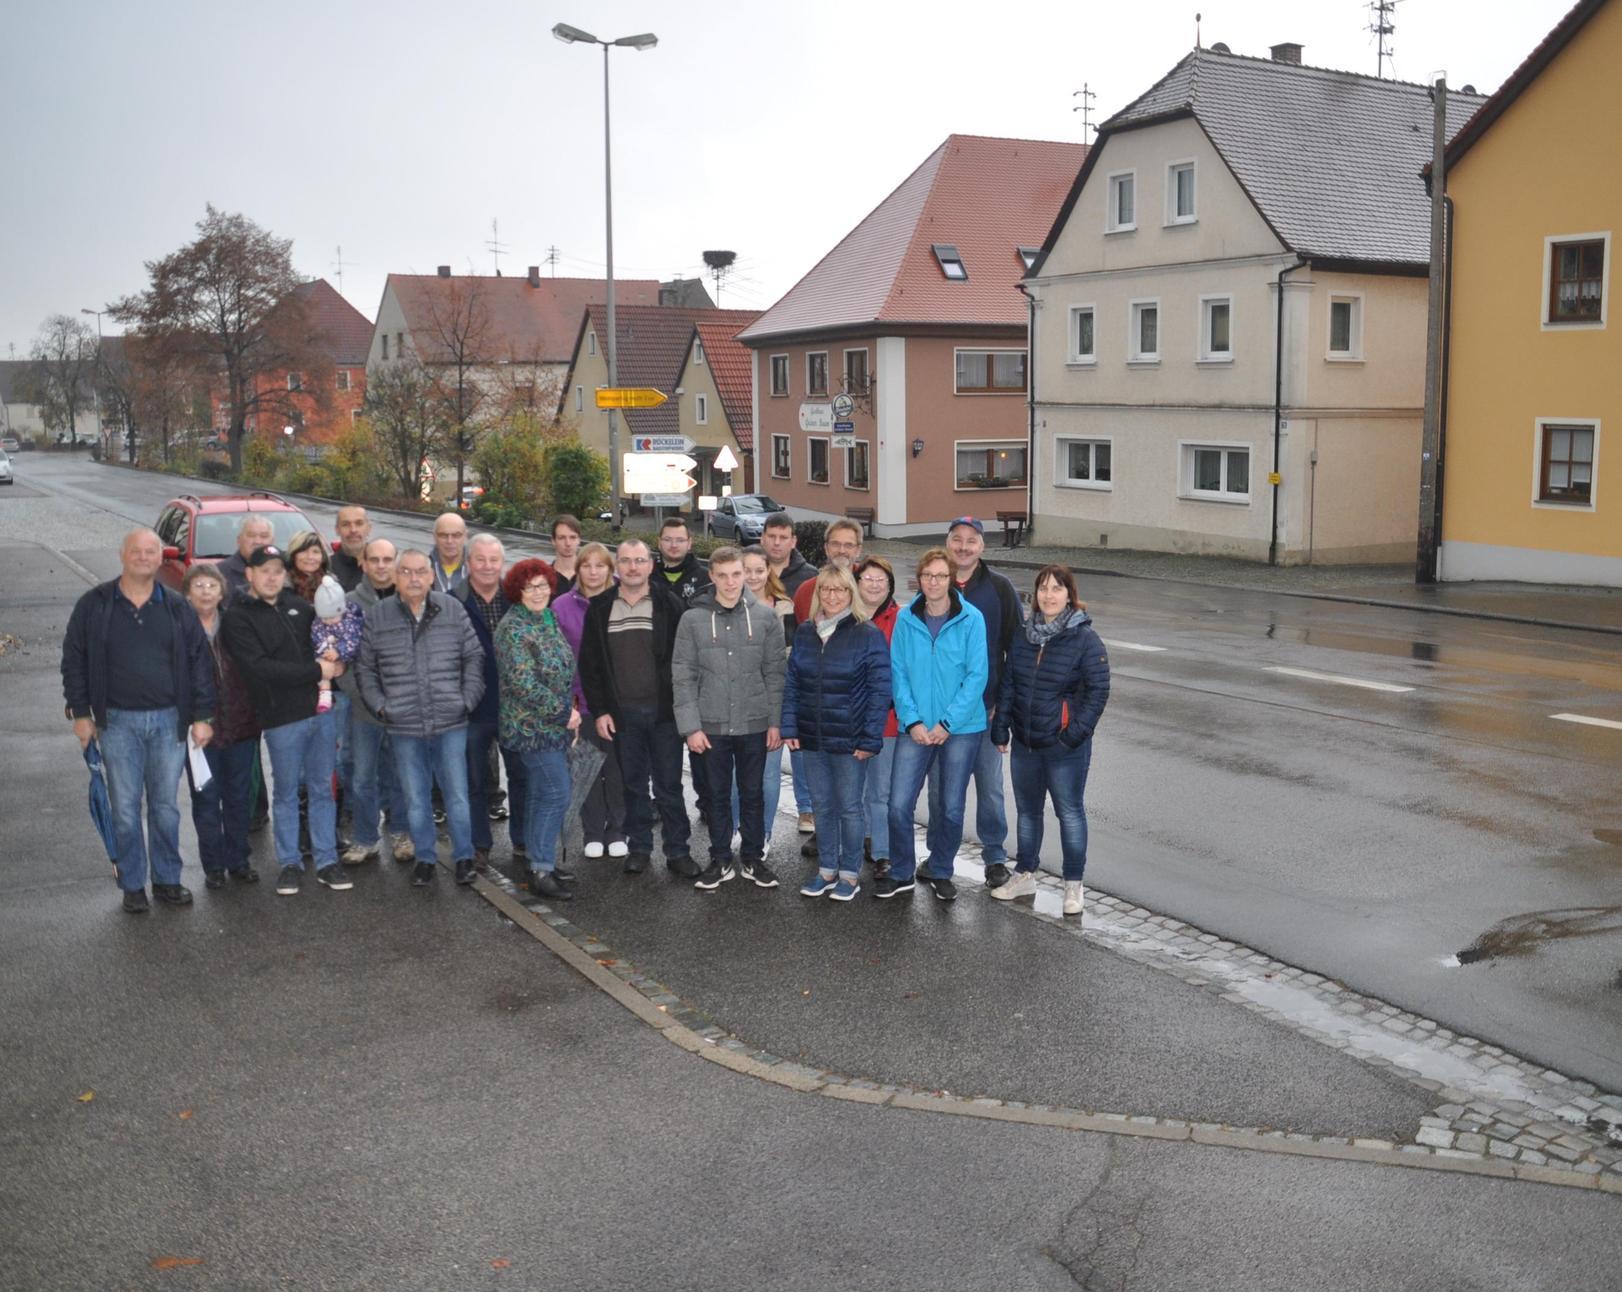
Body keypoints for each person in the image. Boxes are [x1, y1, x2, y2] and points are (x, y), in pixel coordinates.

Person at [61, 528, 216, 913]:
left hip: (169, 722)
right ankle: (132, 884)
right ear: (122, 554)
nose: (144, 557)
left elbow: (200, 662)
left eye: (151, 551)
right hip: (116, 724)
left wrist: (202, 716)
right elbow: (74, 660)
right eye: (137, 550)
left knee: (165, 808)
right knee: (126, 811)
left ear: (161, 558)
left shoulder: (177, 607)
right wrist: (81, 713)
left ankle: (167, 880)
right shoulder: (95, 605)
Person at [221, 544, 352, 896]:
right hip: (281, 719)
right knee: (287, 792)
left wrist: (338, 660)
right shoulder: (237, 617)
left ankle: (326, 861)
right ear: (250, 574)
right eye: (264, 571)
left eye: (277, 571)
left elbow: (326, 639)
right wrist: (317, 671)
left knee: (323, 788)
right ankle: (290, 863)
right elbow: (259, 668)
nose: (271, 577)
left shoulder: (299, 606)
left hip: (320, 714)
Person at [355, 549, 485, 887]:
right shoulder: (378, 615)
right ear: (396, 577)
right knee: (415, 798)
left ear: (430, 576)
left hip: (450, 720)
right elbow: (365, 668)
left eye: (420, 572)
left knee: (457, 795)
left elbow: (474, 656)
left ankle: (464, 858)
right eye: (406, 572)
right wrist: (381, 706)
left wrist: (467, 700)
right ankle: (425, 859)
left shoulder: (452, 608)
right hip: (404, 724)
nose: (414, 579)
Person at [991, 566, 1111, 917]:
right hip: (1025, 742)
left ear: (1069, 595)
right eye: (1043, 588)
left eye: (1057, 588)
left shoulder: (1085, 639)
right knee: (1028, 812)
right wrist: (1002, 726)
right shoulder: (1023, 635)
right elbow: (1010, 683)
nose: (1049, 595)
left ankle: (1073, 883)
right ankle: (1025, 874)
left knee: (1069, 812)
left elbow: (1098, 692)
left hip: (1064, 747)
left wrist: (1073, 735)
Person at [578, 539, 697, 878]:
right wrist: (601, 711)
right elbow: (590, 666)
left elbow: (684, 660)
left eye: (640, 560)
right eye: (627, 560)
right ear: (617, 566)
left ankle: (678, 851)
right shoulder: (600, 608)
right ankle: (640, 848)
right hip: (622, 716)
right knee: (633, 786)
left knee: (669, 787)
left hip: (664, 715)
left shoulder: (669, 604)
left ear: (650, 565)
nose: (633, 567)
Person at [672, 545, 787, 891]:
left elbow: (775, 674)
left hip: (755, 722)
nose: (731, 582)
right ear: (712, 577)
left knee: (753, 793)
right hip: (711, 726)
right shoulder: (692, 620)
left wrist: (775, 722)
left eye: (737, 574)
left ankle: (753, 858)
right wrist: (691, 727)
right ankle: (721, 858)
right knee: (717, 795)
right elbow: (683, 675)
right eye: (723, 575)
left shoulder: (766, 618)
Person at [878, 548, 988, 903]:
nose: (934, 582)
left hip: (961, 729)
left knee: (950, 806)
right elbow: (898, 673)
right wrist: (912, 720)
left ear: (951, 579)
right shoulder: (907, 619)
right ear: (919, 580)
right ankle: (901, 871)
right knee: (898, 804)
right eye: (928, 576)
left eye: (941, 576)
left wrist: (947, 723)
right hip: (915, 727)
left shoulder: (972, 619)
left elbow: (977, 676)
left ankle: (941, 869)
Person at [781, 565, 890, 902]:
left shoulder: (867, 633)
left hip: (849, 739)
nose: (832, 596)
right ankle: (827, 869)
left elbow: (880, 691)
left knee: (850, 808)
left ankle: (849, 874)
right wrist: (790, 726)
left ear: (850, 593)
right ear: (818, 593)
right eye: (826, 589)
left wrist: (870, 738)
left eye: (840, 589)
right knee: (822, 806)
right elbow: (793, 683)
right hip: (812, 737)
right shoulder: (805, 632)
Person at [934, 516, 1024, 887]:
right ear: (948, 542)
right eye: (957, 539)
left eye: (971, 541)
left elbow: (1016, 649)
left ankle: (995, 857)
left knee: (989, 788)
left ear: (982, 547)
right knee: (942, 789)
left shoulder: (999, 588)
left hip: (986, 710)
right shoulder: (935, 582)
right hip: (941, 711)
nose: (964, 547)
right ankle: (939, 857)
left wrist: (1004, 704)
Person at [495, 559, 581, 899]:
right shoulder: (513, 628)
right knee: (557, 793)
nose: (537, 592)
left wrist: (570, 709)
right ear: (517, 591)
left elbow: (561, 667)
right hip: (531, 729)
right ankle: (541, 870)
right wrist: (564, 713)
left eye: (542, 585)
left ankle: (538, 860)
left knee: (540, 794)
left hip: (554, 725)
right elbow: (523, 684)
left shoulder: (547, 618)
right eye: (529, 587)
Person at [180, 564, 259, 888]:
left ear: (222, 591)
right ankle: (213, 865)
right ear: (187, 593)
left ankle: (239, 859)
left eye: (212, 585)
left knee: (239, 796)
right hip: (200, 731)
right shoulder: (180, 629)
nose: (206, 592)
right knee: (206, 799)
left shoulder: (236, 625)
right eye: (199, 586)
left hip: (241, 725)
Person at [789, 518, 866, 846]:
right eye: (836, 543)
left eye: (849, 544)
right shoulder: (807, 590)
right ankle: (825, 837)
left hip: (855, 713)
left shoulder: (871, 583)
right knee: (823, 786)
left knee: (855, 793)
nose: (842, 550)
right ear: (825, 548)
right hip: (819, 712)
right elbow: (803, 647)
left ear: (858, 549)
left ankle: (860, 843)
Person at [455, 534, 528, 868]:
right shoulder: (453, 601)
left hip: (514, 708)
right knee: (473, 780)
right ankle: (479, 844)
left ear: (502, 563)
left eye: (494, 560)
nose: (487, 566)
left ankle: (522, 839)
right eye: (480, 559)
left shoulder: (517, 599)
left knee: (521, 777)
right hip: (472, 709)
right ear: (468, 562)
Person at [552, 541, 626, 860]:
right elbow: (557, 660)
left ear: (610, 569)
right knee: (587, 767)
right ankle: (593, 830)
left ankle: (618, 829)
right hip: (580, 701)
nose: (593, 572)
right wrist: (567, 702)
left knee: (618, 767)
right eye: (587, 565)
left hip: (619, 701)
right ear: (578, 569)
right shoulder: (561, 606)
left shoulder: (624, 600)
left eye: (600, 565)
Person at [339, 539, 410, 865]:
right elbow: (342, 661)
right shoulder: (348, 605)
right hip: (363, 711)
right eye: (375, 560)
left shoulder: (410, 601)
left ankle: (402, 833)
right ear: (363, 564)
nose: (381, 565)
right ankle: (365, 838)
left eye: (387, 559)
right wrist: (368, 700)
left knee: (401, 775)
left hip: (403, 711)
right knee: (362, 777)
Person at [734, 546, 793, 846]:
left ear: (769, 571)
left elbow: (789, 659)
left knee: (768, 774)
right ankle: (735, 828)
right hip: (734, 704)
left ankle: (764, 834)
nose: (753, 576)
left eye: (759, 570)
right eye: (747, 570)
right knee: (735, 773)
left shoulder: (784, 608)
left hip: (772, 701)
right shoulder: (725, 605)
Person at [853, 556, 901, 875]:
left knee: (881, 792)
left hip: (888, 719)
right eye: (868, 579)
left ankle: (882, 851)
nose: (874, 585)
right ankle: (854, 846)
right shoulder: (845, 617)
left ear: (890, 586)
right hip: (851, 719)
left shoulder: (902, 619)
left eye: (880, 580)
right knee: (851, 791)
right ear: (856, 583)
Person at [311, 576, 361, 715]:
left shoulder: (350, 622)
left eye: (332, 617)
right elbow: (316, 636)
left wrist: (339, 651)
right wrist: (323, 650)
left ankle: (325, 693)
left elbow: (353, 640)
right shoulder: (318, 623)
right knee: (322, 670)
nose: (328, 622)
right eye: (324, 618)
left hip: (345, 656)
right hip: (327, 654)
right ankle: (325, 694)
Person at [653, 514, 712, 604]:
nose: (674, 545)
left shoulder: (707, 579)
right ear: (659, 543)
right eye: (667, 539)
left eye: (680, 540)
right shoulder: (644, 575)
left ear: (689, 543)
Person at [217, 515, 274, 601]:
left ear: (272, 541)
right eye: (251, 535)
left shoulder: (283, 572)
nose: (257, 541)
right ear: (239, 540)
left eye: (264, 536)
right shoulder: (219, 573)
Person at [761, 512, 815, 598]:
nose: (777, 542)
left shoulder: (811, 577)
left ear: (793, 541)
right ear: (762, 538)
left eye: (783, 538)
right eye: (771, 536)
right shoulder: (746, 571)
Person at [329, 505, 371, 592]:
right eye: (346, 524)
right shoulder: (326, 568)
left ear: (368, 528)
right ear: (337, 530)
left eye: (359, 523)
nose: (353, 530)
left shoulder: (384, 567)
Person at [430, 511, 469, 594]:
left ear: (465, 536)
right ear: (434, 537)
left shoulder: (477, 571)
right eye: (443, 535)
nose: (449, 541)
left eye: (456, 535)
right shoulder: (423, 570)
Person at [549, 514, 582, 596]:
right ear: (553, 541)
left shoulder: (590, 576)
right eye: (562, 538)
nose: (568, 543)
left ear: (579, 540)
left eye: (573, 537)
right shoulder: (544, 578)